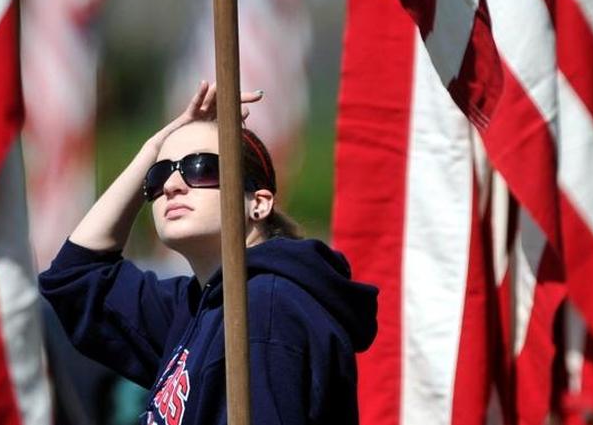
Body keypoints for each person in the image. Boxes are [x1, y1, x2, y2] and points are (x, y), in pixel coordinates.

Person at [39, 81, 378, 425]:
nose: (171, 185)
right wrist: (153, 147)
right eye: (158, 175)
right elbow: (74, 279)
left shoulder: (267, 307)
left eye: (200, 168)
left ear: (258, 204)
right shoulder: (194, 307)